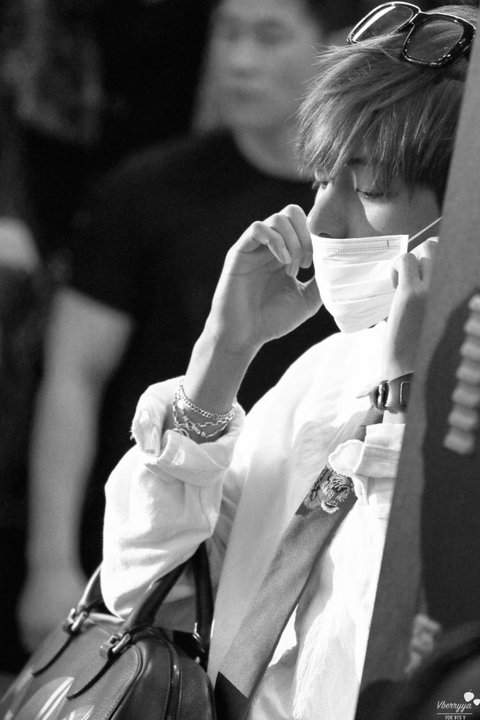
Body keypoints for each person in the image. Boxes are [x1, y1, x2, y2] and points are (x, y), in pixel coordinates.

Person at [101, 3, 478, 719]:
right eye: (321, 179)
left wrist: (403, 400)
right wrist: (222, 355)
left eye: (368, 189)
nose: (322, 220)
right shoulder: (327, 372)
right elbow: (147, 596)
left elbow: (408, 652)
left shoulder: (450, 398)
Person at [18, 0, 377, 653]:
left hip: (303, 565)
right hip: (155, 540)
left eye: (269, 37)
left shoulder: (384, 233)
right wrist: (49, 562)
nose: (238, 60)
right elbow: (72, 376)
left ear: (337, 48)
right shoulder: (147, 189)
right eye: (227, 33)